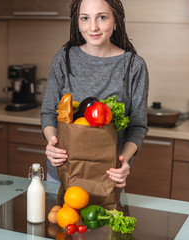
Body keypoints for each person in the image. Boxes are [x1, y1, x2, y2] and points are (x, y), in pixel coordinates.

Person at [41, 0, 149, 188]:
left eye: (102, 17)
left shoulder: (134, 66)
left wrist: (123, 160)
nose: (93, 27)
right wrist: (52, 143)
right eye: (85, 18)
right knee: (59, 217)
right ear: (77, 22)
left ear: (116, 21)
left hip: (107, 177)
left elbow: (137, 126)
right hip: (62, 173)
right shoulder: (63, 58)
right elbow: (49, 113)